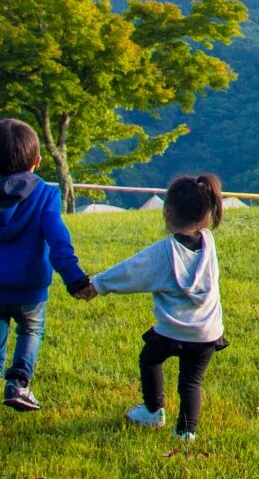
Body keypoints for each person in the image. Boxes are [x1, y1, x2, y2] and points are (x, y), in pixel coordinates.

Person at [0, 118, 94, 441]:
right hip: (30, 292)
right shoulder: (45, 196)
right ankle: (20, 381)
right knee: (31, 329)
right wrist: (75, 279)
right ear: (36, 161)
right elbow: (59, 242)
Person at [91, 174, 229, 442]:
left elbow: (130, 271)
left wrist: (97, 285)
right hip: (206, 333)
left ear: (167, 213)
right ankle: (187, 432)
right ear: (207, 215)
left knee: (150, 359)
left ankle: (153, 411)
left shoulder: (164, 252)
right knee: (191, 382)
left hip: (171, 331)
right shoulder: (209, 243)